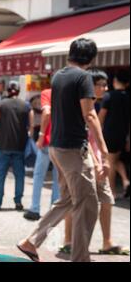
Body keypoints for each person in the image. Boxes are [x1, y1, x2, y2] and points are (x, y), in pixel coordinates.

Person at [18, 38, 110, 262]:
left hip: (56, 148)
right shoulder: (84, 77)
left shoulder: (59, 75)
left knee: (67, 199)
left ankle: (31, 241)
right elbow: (89, 114)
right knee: (86, 204)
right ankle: (80, 258)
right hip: (72, 150)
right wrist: (104, 152)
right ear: (91, 58)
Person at [59, 69, 129, 257]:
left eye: (106, 85)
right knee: (74, 201)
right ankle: (68, 241)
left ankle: (107, 242)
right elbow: (85, 138)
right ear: (91, 85)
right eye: (101, 85)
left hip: (98, 160)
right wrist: (98, 160)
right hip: (83, 158)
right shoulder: (85, 107)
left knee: (106, 200)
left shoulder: (100, 105)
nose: (105, 89)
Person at [0, 81, 34, 211]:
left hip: (2, 145)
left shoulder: (1, 104)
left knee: (0, 175)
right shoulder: (26, 106)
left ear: (7, 91)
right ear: (19, 91)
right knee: (19, 175)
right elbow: (31, 126)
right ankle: (18, 202)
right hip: (20, 145)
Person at [23, 88, 60, 221]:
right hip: (62, 141)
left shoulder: (48, 93)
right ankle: (54, 210)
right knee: (58, 177)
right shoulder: (70, 92)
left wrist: (41, 134)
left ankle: (34, 208)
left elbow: (47, 112)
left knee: (39, 175)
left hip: (48, 140)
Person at [98, 71, 130, 199]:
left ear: (114, 81)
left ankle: (111, 192)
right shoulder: (128, 97)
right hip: (122, 134)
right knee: (115, 160)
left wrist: (95, 132)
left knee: (109, 163)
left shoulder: (109, 96)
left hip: (109, 133)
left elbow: (101, 116)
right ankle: (126, 181)